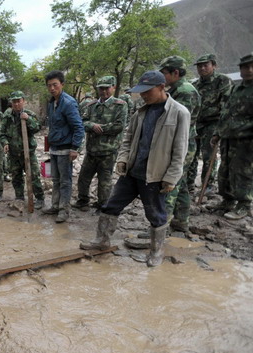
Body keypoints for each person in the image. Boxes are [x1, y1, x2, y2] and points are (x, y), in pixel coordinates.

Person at [80, 71, 190, 267]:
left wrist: (172, 178)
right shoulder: (141, 111)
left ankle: (156, 251)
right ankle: (102, 240)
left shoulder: (179, 112)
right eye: (141, 92)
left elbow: (180, 149)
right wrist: (122, 159)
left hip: (155, 175)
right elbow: (128, 139)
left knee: (156, 215)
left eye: (147, 91)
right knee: (111, 206)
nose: (144, 95)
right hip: (132, 172)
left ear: (162, 87)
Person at [158, 56, 201, 232]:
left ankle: (161, 226)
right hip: (181, 143)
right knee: (181, 184)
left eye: (164, 74)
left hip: (182, 145)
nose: (162, 78)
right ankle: (181, 221)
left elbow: (176, 122)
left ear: (175, 72)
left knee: (170, 184)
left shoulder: (185, 91)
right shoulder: (178, 90)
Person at [74, 76, 128, 211]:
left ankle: (102, 204)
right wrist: (92, 125)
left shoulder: (120, 105)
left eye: (106, 88)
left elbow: (119, 126)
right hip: (91, 150)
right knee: (83, 178)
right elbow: (83, 122)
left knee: (104, 181)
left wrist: (101, 128)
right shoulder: (91, 106)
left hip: (108, 151)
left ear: (113, 87)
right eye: (101, 88)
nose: (103, 91)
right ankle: (83, 200)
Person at [210, 52, 253, 220]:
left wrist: (239, 129)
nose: (249, 70)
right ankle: (227, 201)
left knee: (243, 172)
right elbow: (226, 113)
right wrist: (218, 132)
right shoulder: (237, 88)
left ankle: (244, 204)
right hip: (228, 138)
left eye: (251, 66)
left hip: (246, 141)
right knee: (225, 169)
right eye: (245, 67)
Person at [43, 70, 85, 223]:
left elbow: (78, 127)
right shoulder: (51, 103)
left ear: (62, 84)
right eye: (49, 86)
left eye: (55, 85)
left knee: (65, 181)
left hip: (65, 148)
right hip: (54, 148)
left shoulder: (68, 103)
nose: (52, 88)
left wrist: (75, 148)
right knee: (55, 179)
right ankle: (55, 205)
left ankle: (64, 210)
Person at [190, 53, 233, 195]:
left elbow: (226, 106)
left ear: (213, 65)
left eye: (205, 65)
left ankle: (207, 185)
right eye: (199, 66)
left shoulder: (223, 81)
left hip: (213, 122)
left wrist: (220, 129)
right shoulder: (195, 84)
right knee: (191, 153)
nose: (202, 68)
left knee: (208, 154)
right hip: (197, 122)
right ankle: (189, 183)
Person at [0, 90, 45, 209]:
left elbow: (37, 128)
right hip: (14, 154)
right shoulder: (7, 117)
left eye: (18, 101)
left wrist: (28, 119)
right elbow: (2, 133)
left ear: (23, 101)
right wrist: (5, 143)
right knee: (16, 177)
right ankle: (19, 197)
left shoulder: (30, 114)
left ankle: (40, 198)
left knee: (34, 176)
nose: (16, 104)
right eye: (14, 102)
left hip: (28, 153)